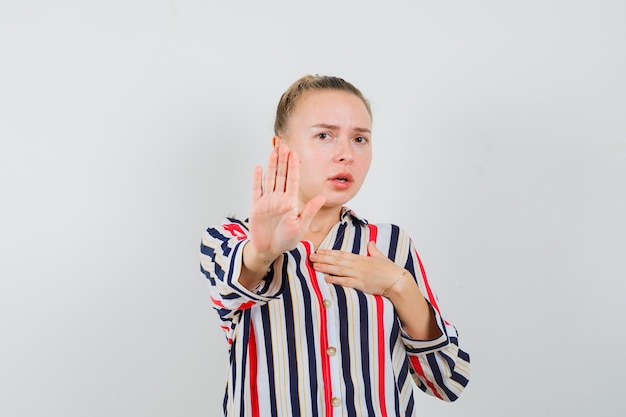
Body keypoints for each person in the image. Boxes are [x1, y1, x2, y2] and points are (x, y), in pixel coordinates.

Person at [200, 75, 470, 417]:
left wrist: (399, 286)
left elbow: (448, 381)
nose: (346, 154)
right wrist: (263, 252)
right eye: (324, 136)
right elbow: (233, 285)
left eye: (360, 139)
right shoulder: (227, 240)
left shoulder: (390, 244)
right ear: (281, 148)